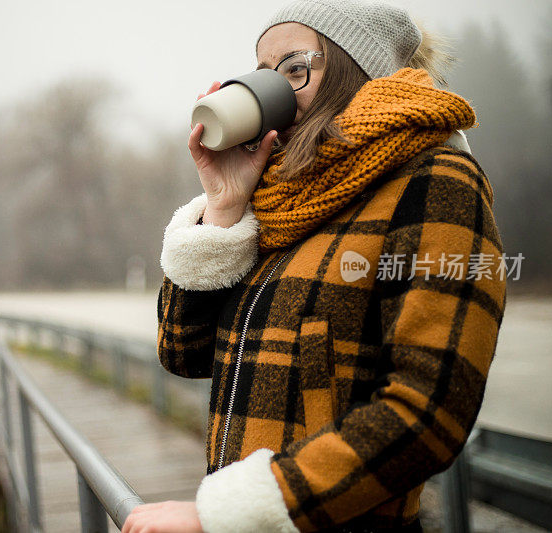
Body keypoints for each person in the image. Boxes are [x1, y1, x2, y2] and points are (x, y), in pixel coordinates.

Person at [121, 0, 507, 532]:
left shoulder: (437, 181)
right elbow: (182, 353)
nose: (273, 91)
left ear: (357, 73)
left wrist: (229, 515)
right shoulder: (281, 197)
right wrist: (225, 204)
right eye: (263, 73)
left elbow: (430, 410)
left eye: (295, 69)